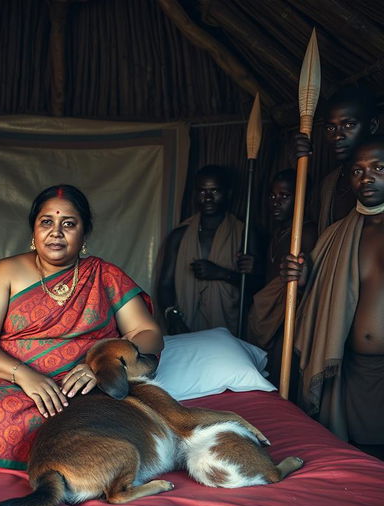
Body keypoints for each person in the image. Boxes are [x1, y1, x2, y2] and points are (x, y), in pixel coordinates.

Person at [0, 184, 163, 470]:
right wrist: (25, 376)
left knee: (110, 414)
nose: (56, 232)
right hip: (10, 383)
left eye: (68, 224)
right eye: (46, 222)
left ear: (84, 234)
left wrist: (100, 366)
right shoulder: (7, 272)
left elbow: (149, 334)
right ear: (33, 231)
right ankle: (78, 455)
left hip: (82, 386)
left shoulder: (105, 275)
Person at [281, 136, 384, 459]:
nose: (366, 178)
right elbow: (316, 300)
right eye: (357, 170)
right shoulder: (336, 235)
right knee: (353, 458)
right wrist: (301, 275)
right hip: (348, 371)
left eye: (379, 168)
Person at [156, 165, 261, 336]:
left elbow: (257, 287)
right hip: (186, 327)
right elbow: (165, 285)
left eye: (214, 191)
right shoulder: (179, 235)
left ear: (228, 193)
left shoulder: (245, 233)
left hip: (228, 330)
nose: (208, 198)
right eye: (202, 192)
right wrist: (173, 317)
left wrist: (221, 273)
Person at [246, 169, 317, 384]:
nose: (276, 202)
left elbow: (304, 282)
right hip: (267, 316)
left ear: (301, 197)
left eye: (285, 196)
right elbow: (270, 279)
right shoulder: (276, 233)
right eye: (272, 196)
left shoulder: (306, 232)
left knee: (282, 377)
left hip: (287, 318)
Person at [294, 86, 379, 236]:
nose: (338, 136)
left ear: (372, 126)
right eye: (331, 128)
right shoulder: (328, 185)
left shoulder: (378, 181)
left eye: (348, 125)